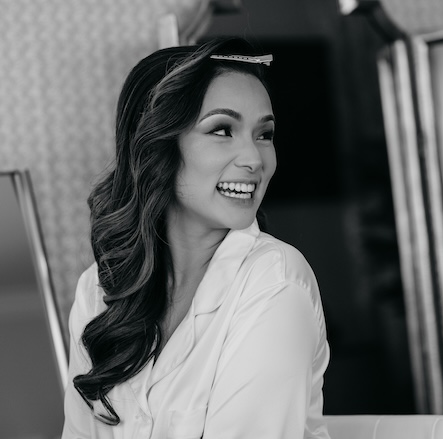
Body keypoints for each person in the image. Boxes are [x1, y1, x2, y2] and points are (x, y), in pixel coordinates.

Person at [62, 37, 331, 438]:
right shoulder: (100, 290)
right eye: (223, 130)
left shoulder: (275, 284)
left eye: (264, 134)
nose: (255, 159)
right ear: (157, 145)